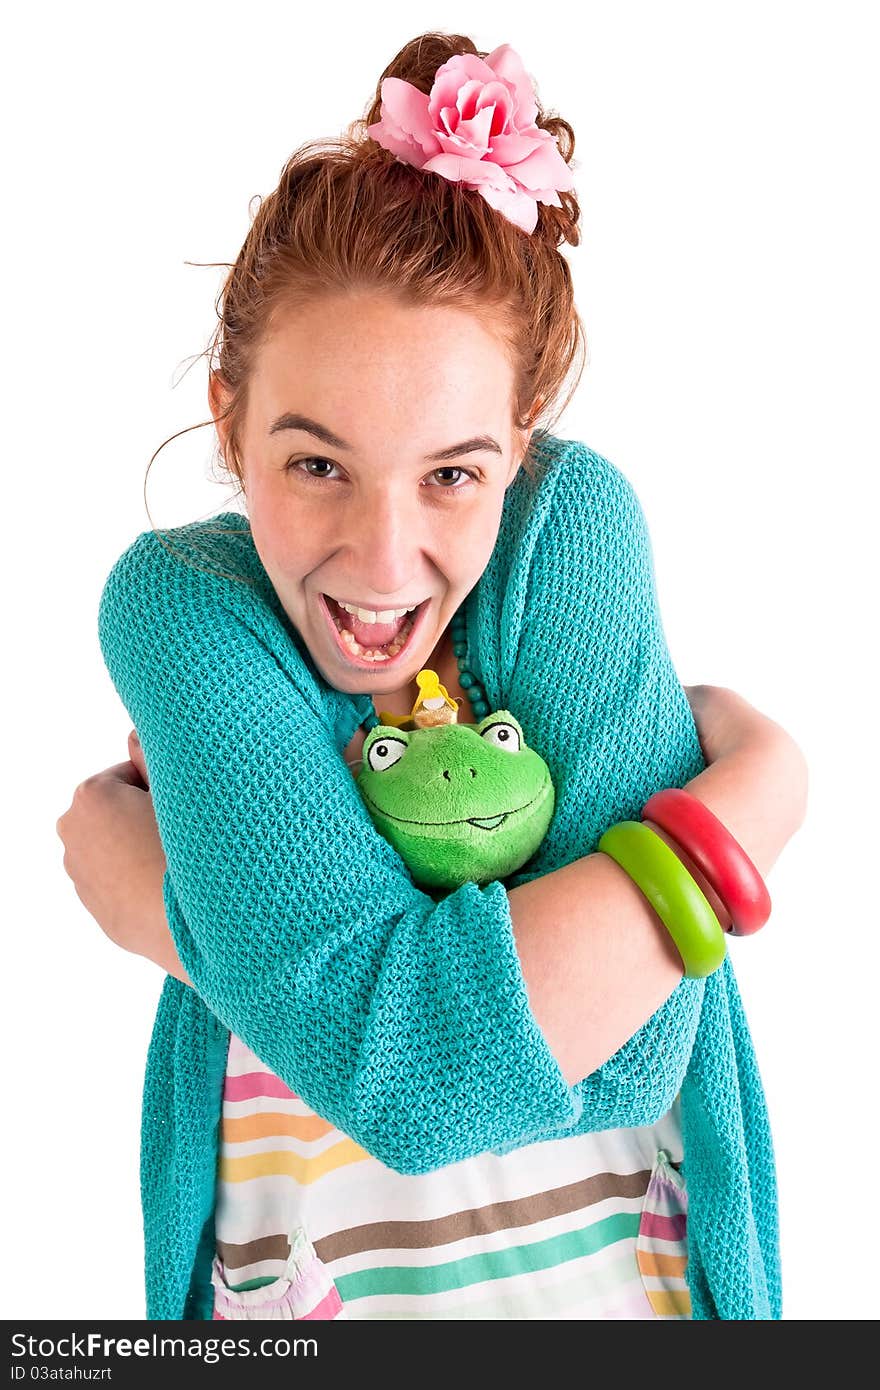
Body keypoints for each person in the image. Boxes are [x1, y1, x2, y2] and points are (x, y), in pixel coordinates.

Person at [57, 33, 807, 1321]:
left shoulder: (567, 537)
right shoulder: (188, 613)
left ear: (518, 446)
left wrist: (194, 926)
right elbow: (413, 1075)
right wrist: (727, 824)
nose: (383, 559)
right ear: (231, 422)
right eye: (316, 465)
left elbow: (626, 1054)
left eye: (452, 473)